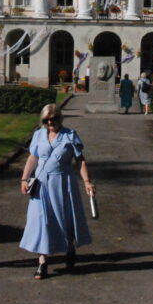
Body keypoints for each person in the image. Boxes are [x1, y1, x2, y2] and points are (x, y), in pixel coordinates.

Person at [20, 104, 95, 280]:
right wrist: (24, 179)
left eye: (53, 119)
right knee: (41, 221)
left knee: (65, 218)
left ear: (60, 118)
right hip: (41, 184)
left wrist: (87, 181)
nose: (50, 123)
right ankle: (42, 262)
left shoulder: (70, 135)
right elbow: (33, 157)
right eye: (46, 120)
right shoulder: (39, 135)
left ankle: (70, 247)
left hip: (62, 183)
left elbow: (80, 160)